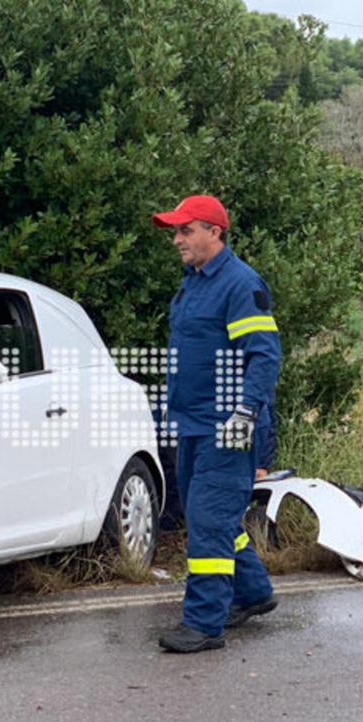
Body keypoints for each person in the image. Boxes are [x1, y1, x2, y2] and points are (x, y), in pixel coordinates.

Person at [151, 194, 280, 653]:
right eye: (175, 231)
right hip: (193, 424)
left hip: (228, 426)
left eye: (186, 230)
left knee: (208, 520)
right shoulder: (192, 284)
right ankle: (252, 592)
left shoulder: (240, 285)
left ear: (214, 232)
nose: (178, 239)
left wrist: (246, 412)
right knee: (212, 515)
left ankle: (204, 624)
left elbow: (264, 355)